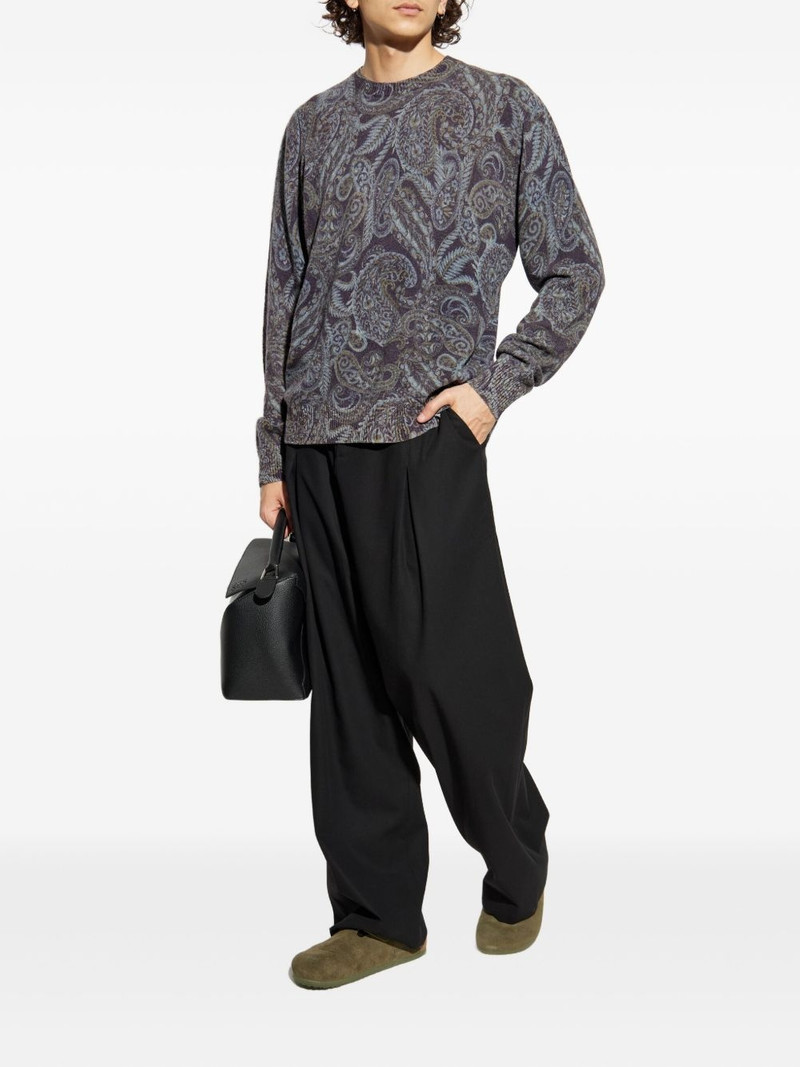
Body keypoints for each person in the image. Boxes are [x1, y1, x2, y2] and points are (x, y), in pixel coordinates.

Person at [256, 0, 604, 990]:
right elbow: (285, 288)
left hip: (427, 435)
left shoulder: (503, 109)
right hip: (317, 441)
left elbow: (574, 270)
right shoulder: (312, 125)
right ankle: (377, 918)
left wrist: (494, 389)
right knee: (350, 694)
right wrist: (273, 448)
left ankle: (516, 857)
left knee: (456, 676)